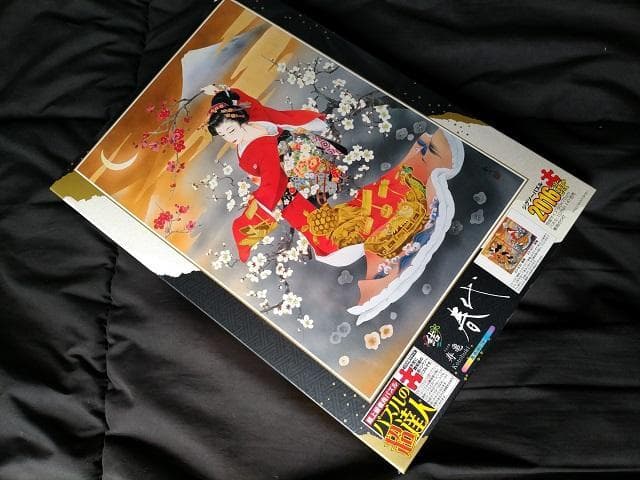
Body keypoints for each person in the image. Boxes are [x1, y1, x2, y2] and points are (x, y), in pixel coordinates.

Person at [203, 84, 464, 324]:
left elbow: (271, 183)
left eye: (230, 130)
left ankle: (390, 231)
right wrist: (223, 92)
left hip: (294, 184)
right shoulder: (256, 117)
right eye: (223, 134)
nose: (229, 137)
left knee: (328, 232)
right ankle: (378, 236)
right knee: (330, 225)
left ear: (239, 118)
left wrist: (247, 227)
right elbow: (249, 102)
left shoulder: (259, 144)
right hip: (302, 171)